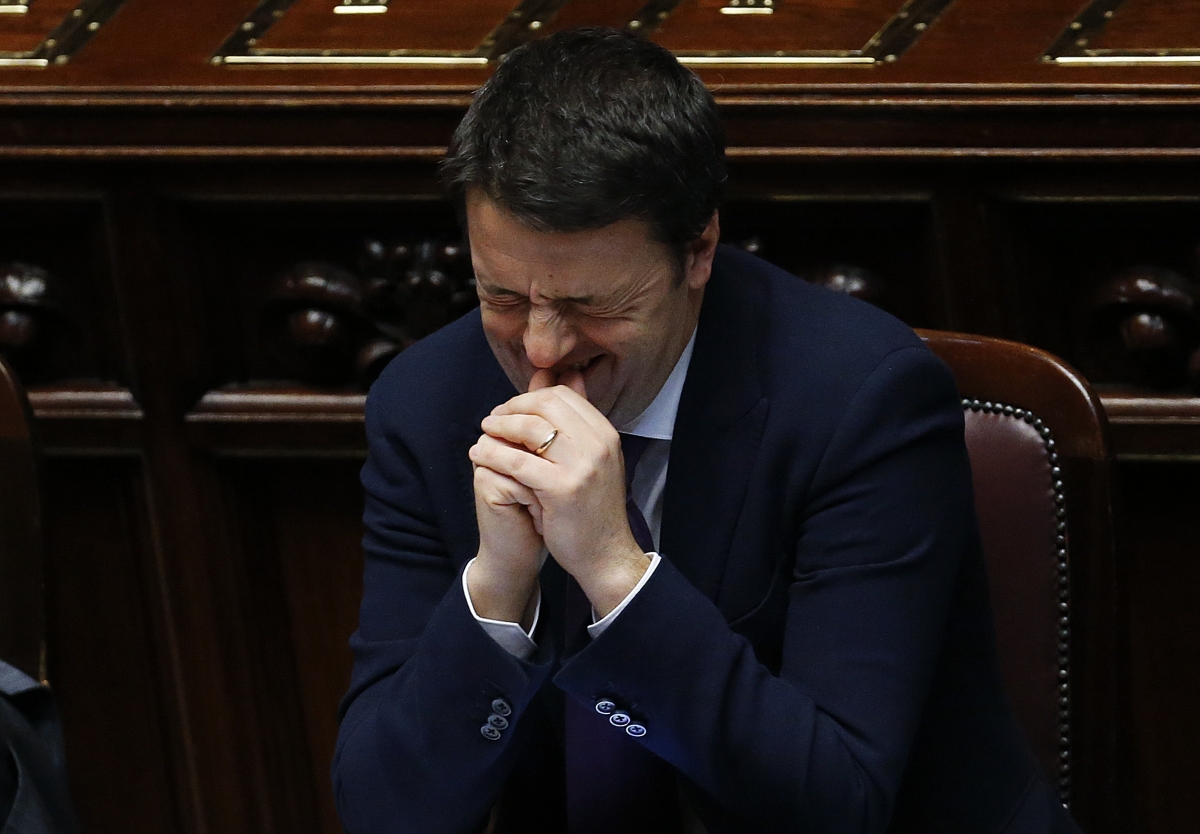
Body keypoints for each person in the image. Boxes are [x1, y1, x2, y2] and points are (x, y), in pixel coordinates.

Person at [332, 26, 1080, 834]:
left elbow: (838, 803)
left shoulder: (860, 400)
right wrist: (497, 591)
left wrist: (615, 571)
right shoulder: (429, 404)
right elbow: (386, 812)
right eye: (503, 297)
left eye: (591, 304)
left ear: (698, 250)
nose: (542, 348)